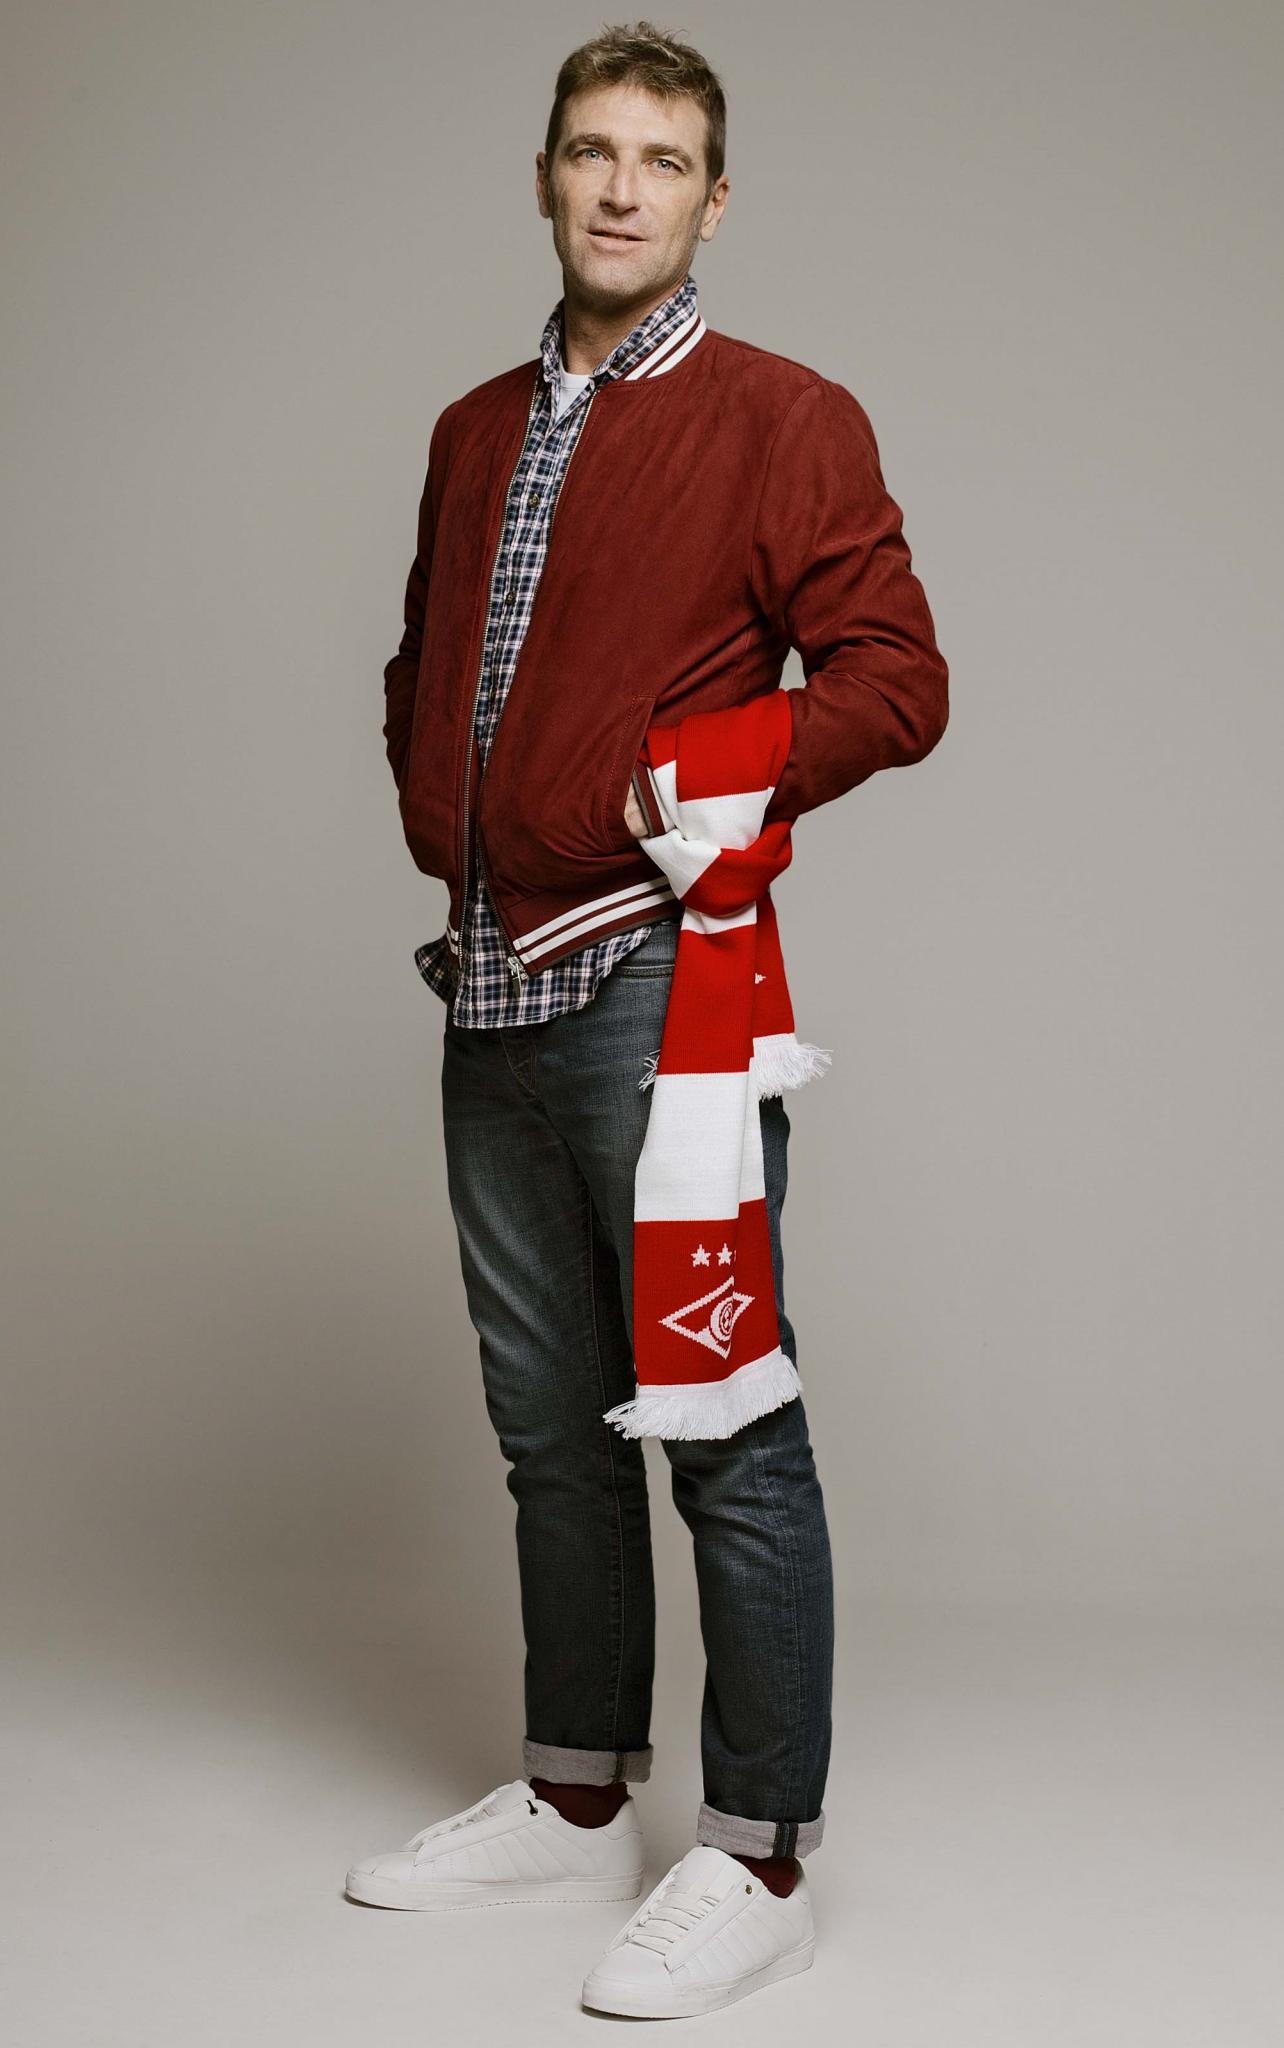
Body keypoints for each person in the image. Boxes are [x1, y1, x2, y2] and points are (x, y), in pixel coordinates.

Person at [346, 18, 948, 2021]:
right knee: (547, 1425)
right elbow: (429, 657)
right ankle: (576, 1789)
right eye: (593, 152)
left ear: (713, 199)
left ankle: (757, 1849)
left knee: (725, 1423)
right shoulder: (472, 427)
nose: (622, 189)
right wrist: (438, 796)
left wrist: (672, 775)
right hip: (486, 973)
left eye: (663, 160)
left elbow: (896, 677)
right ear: (545, 176)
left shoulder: (784, 417)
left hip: (658, 988)